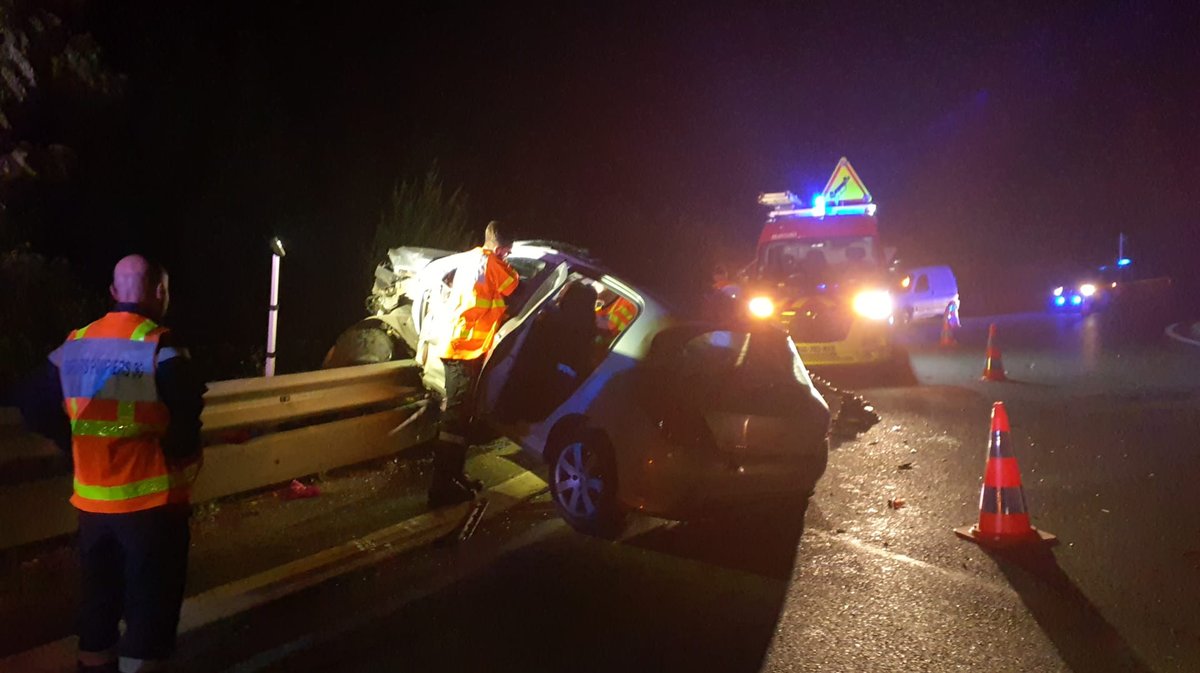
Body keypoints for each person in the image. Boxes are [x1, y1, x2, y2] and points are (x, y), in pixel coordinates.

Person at [15, 255, 205, 673]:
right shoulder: (160, 346)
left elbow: (30, 401)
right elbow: (187, 421)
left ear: (115, 293)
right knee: (148, 612)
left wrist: (72, 441)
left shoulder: (76, 344)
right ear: (159, 292)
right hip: (151, 508)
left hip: (93, 508)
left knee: (98, 608)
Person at [429, 221, 520, 507]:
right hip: (463, 351)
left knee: (462, 420)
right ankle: (440, 489)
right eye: (507, 252)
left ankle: (454, 476)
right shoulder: (491, 263)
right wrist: (506, 262)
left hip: (463, 347)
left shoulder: (471, 259)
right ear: (502, 248)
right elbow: (513, 285)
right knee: (454, 422)